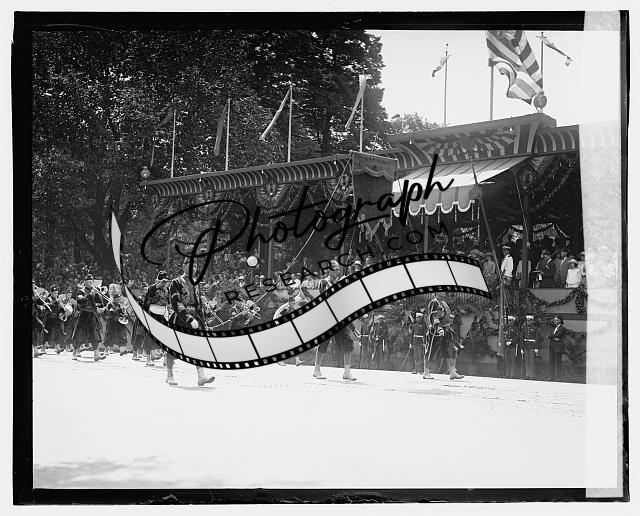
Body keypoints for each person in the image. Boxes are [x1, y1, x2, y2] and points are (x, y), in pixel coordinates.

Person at [167, 259, 216, 386]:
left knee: (198, 346)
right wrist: (188, 318)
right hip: (180, 317)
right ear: (183, 266)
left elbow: (198, 303)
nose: (193, 268)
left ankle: (201, 376)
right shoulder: (176, 282)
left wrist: (205, 316)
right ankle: (170, 375)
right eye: (190, 265)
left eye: (195, 266)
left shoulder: (197, 283)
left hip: (196, 317)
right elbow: (175, 302)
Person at [313, 261, 357, 381]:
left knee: (347, 342)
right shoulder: (323, 282)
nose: (338, 271)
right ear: (330, 270)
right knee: (323, 343)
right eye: (336, 269)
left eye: (338, 269)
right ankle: (316, 369)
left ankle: (347, 372)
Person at [71, 274, 106, 361]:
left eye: (92, 282)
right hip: (84, 314)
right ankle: (74, 352)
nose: (91, 283)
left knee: (94, 334)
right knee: (80, 334)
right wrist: (90, 294)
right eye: (89, 282)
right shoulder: (81, 291)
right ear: (85, 282)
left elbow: (100, 303)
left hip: (92, 314)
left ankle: (96, 354)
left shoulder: (94, 291)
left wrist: (98, 294)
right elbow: (80, 301)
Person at [520, 314, 541, 380]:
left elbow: (537, 338)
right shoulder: (524, 328)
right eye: (527, 320)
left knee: (532, 361)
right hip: (526, 346)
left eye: (529, 320)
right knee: (526, 361)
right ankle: (527, 374)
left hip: (532, 346)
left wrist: (536, 348)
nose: (528, 321)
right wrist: (521, 348)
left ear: (532, 321)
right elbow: (522, 338)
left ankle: (532, 375)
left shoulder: (535, 328)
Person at [546, 315, 566, 382]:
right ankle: (551, 377)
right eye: (554, 320)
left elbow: (558, 335)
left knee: (558, 363)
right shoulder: (554, 328)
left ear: (560, 320)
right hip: (552, 347)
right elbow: (555, 336)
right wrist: (554, 337)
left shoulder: (562, 328)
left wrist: (550, 336)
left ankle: (558, 378)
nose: (554, 321)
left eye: (556, 320)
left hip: (558, 348)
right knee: (551, 363)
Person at [503, 315, 520, 379]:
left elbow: (517, 337)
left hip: (513, 346)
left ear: (513, 321)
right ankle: (507, 374)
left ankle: (512, 374)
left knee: (512, 361)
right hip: (507, 346)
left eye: (510, 320)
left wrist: (511, 341)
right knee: (507, 360)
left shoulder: (516, 328)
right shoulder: (506, 328)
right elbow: (504, 336)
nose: (509, 322)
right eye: (509, 320)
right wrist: (505, 342)